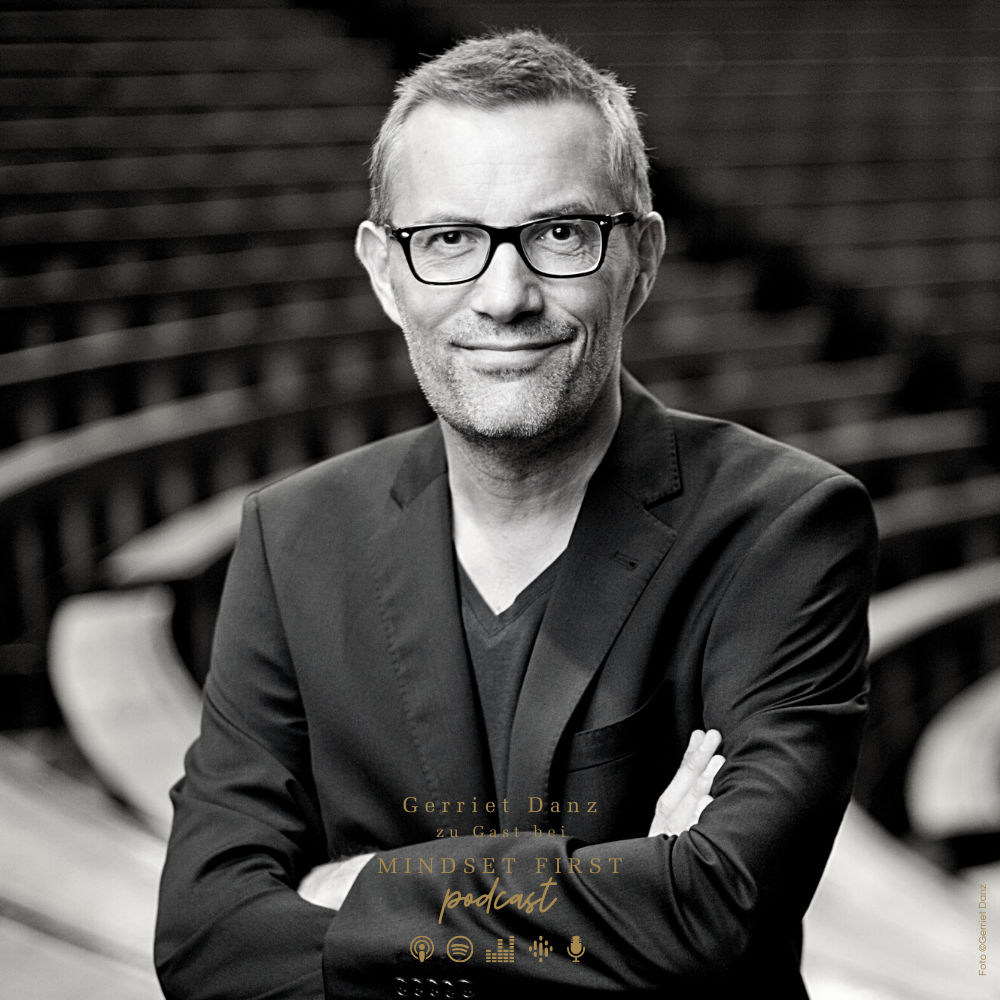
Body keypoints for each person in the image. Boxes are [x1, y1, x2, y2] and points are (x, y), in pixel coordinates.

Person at [155, 30, 877, 1000]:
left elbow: (718, 907)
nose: (505, 296)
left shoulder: (784, 529)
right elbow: (206, 941)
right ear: (383, 271)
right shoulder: (294, 539)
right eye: (449, 240)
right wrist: (626, 886)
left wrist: (355, 889)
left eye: (561, 234)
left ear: (641, 259)